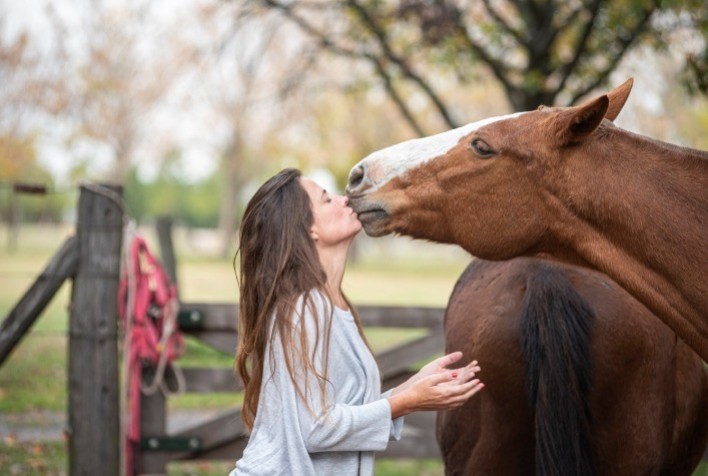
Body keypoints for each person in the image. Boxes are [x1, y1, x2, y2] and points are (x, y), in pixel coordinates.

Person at [229, 168, 484, 476]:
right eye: (326, 200)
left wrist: (413, 388)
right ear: (309, 229)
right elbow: (316, 428)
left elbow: (339, 412)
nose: (343, 199)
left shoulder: (332, 305)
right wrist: (404, 402)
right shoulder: (304, 308)